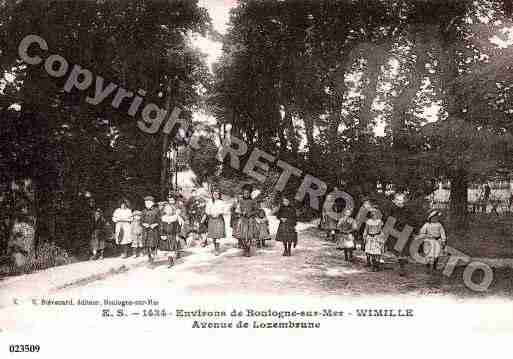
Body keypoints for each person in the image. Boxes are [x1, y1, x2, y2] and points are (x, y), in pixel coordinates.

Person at [385, 193, 416, 276]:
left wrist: (411, 231)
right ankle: (401, 265)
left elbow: (412, 221)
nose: (399, 202)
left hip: (405, 231)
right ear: (395, 201)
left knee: (404, 250)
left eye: (401, 200)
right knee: (398, 250)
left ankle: (402, 268)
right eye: (397, 200)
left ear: (404, 201)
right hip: (395, 231)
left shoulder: (408, 210)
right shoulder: (392, 210)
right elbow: (389, 220)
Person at [236, 184, 259, 257]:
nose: (246, 194)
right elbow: (237, 209)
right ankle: (245, 248)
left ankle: (248, 249)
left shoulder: (253, 201)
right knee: (242, 235)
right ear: (243, 193)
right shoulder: (241, 201)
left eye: (247, 193)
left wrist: (250, 213)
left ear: (250, 193)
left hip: (250, 220)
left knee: (249, 235)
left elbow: (256, 210)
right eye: (244, 193)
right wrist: (241, 212)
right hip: (243, 220)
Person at [204, 189, 227, 255]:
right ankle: (215, 247)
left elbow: (224, 210)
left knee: (218, 235)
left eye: (217, 194)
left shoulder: (221, 202)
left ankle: (217, 248)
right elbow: (207, 210)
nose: (215, 196)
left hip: (219, 219)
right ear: (212, 195)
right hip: (212, 219)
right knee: (213, 235)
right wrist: (211, 214)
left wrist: (219, 213)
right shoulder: (210, 202)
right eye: (214, 194)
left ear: (219, 195)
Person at [160, 201, 181, 267]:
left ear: (172, 210)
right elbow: (161, 227)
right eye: (167, 210)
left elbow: (177, 227)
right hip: (166, 235)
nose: (168, 211)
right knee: (167, 249)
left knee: (172, 249)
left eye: (170, 210)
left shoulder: (175, 218)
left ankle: (171, 260)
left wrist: (177, 235)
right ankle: (170, 260)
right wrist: (162, 234)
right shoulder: (163, 218)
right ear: (164, 210)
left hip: (173, 235)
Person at [363, 207, 385, 271]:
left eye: (375, 213)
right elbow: (366, 230)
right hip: (370, 237)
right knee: (371, 252)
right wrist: (364, 236)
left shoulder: (379, 221)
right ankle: (373, 266)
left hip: (377, 237)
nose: (373, 214)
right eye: (372, 213)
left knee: (377, 252)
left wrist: (382, 238)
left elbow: (380, 230)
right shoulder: (368, 221)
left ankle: (377, 266)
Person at [141, 196, 160, 263]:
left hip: (153, 230)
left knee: (153, 243)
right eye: (146, 202)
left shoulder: (156, 210)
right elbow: (141, 221)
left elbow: (159, 220)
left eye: (149, 202)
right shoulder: (143, 211)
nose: (147, 204)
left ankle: (153, 254)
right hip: (146, 230)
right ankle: (149, 257)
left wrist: (155, 224)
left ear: (153, 203)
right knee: (146, 243)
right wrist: (144, 224)